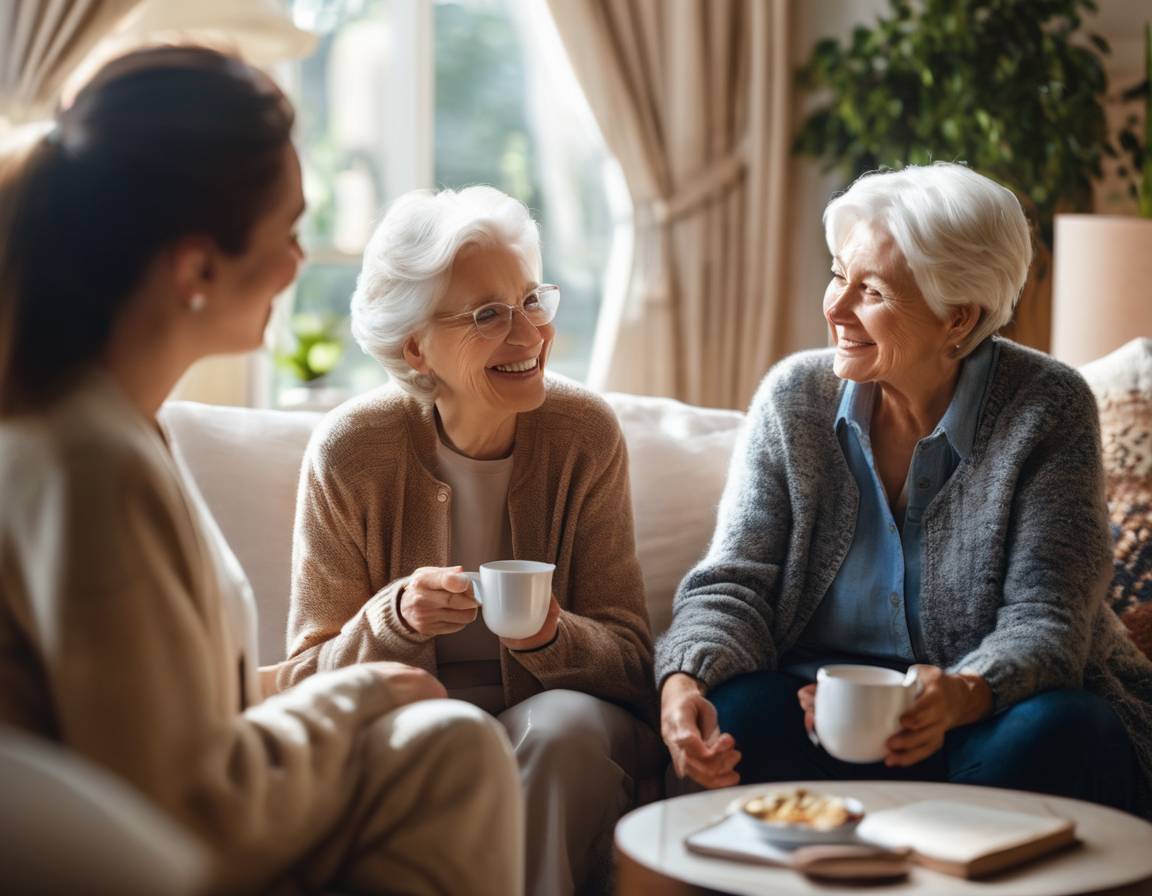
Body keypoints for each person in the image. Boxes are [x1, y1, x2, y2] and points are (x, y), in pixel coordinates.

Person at [0, 46, 523, 894]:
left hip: (175, 816)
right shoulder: (88, 465)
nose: (297, 262)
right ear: (199, 269)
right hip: (154, 852)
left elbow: (179, 721)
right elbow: (186, 806)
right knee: (451, 748)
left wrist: (345, 693)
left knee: (448, 747)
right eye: (286, 232)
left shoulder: (106, 428)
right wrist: (357, 696)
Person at [656, 162, 1152, 816]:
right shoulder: (795, 400)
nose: (834, 306)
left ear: (958, 318)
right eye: (838, 275)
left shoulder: (1048, 407)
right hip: (822, 724)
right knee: (737, 713)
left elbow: (1048, 619)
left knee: (1064, 729)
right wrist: (683, 680)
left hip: (983, 717)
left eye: (873, 292)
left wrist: (963, 694)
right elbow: (736, 583)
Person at [278, 185, 660, 894]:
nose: (529, 335)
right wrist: (392, 621)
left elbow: (634, 662)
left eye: (531, 302)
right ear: (414, 345)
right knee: (441, 747)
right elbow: (303, 683)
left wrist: (551, 636)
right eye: (488, 314)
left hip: (553, 726)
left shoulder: (584, 435)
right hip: (412, 729)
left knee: (564, 730)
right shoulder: (352, 451)